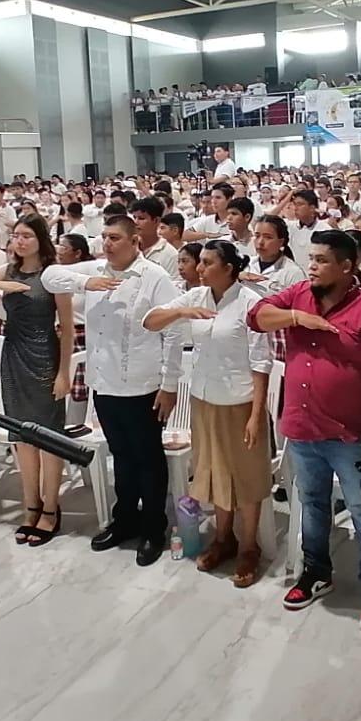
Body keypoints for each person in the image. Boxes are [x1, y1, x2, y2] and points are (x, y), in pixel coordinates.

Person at [250, 230, 361, 637]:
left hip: (350, 434)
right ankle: (317, 571)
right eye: (311, 259)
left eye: (321, 260)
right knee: (313, 503)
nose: (312, 267)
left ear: (347, 266)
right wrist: (297, 318)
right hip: (303, 429)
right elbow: (258, 316)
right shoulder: (299, 295)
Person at [42, 214, 184, 565]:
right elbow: (49, 276)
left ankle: (153, 527)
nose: (107, 243)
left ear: (135, 241)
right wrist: (85, 281)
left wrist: (169, 385)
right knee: (120, 456)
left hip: (143, 385)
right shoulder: (95, 270)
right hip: (104, 383)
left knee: (148, 459)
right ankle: (125, 519)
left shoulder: (154, 276)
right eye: (104, 236)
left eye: (115, 238)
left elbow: (174, 331)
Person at [144, 241, 273, 587]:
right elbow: (150, 321)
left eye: (208, 262)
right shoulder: (195, 297)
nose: (199, 268)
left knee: (246, 476)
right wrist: (181, 312)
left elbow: (261, 363)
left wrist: (256, 414)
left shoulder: (250, 303)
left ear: (229, 268)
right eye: (198, 261)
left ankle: (249, 547)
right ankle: (223, 538)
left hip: (241, 403)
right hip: (204, 399)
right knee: (215, 472)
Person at [0, 215, 75, 545]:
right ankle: (31, 505)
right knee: (22, 438)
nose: (20, 241)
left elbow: (67, 329)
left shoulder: (52, 274)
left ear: (41, 239)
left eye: (27, 236)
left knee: (48, 439)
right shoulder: (7, 271)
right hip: (14, 357)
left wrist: (64, 373)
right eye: (16, 236)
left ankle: (50, 508)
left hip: (45, 357)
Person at [240, 214, 305, 292]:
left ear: (281, 242)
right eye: (257, 236)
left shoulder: (293, 273)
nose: (260, 242)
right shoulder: (246, 264)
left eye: (268, 237)